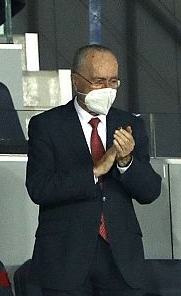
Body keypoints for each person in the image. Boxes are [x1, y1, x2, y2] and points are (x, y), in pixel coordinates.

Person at [26, 44, 162, 296]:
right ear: (76, 81)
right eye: (98, 81)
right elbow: (39, 188)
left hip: (120, 258)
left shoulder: (130, 125)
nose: (107, 90)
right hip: (65, 257)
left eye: (113, 81)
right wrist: (96, 170)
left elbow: (150, 191)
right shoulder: (46, 125)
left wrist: (126, 161)